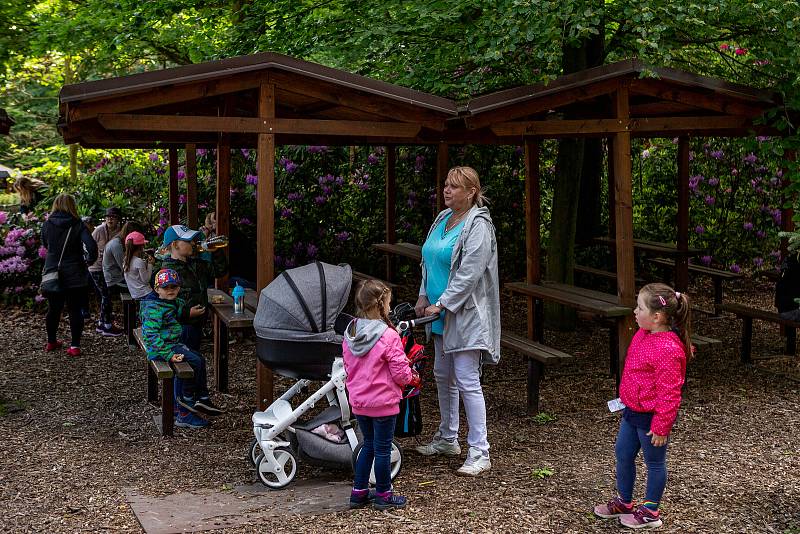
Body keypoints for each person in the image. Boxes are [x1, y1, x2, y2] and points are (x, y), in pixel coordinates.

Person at [414, 166, 500, 477]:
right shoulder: (442, 219)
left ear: (472, 192)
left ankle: (480, 450)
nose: (447, 191)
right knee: (442, 375)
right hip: (437, 314)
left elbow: (469, 274)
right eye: (446, 185)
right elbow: (428, 261)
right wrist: (424, 296)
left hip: (464, 314)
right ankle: (448, 438)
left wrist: (442, 303)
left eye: (454, 187)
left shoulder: (478, 226)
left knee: (466, 379)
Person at [593, 283, 692, 530]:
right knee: (623, 454)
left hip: (651, 419)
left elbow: (670, 394)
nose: (635, 312)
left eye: (639, 308)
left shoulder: (668, 349)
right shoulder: (643, 334)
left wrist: (661, 426)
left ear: (656, 317)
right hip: (632, 412)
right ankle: (625, 502)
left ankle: (650, 511)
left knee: (654, 462)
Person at [342, 279, 418, 511]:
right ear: (381, 304)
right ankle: (384, 493)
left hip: (359, 400)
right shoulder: (388, 335)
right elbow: (400, 371)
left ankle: (359, 491)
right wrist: (411, 376)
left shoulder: (351, 331)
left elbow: (347, 364)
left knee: (369, 445)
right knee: (383, 449)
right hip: (383, 401)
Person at [140, 268, 224, 429]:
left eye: (174, 287)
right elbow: (150, 336)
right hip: (161, 349)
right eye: (166, 288)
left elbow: (177, 314)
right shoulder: (154, 308)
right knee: (192, 363)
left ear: (179, 287)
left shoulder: (170, 302)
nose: (170, 291)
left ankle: (200, 398)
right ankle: (185, 406)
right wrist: (169, 355)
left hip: (170, 344)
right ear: (157, 289)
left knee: (198, 358)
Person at [41, 193, 98, 356]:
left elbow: (45, 244)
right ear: (72, 206)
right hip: (75, 273)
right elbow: (92, 247)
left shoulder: (47, 224)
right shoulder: (78, 225)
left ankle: (51, 341)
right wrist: (89, 261)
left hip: (53, 272)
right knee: (75, 309)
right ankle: (74, 346)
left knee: (53, 309)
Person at [155, 224, 228, 351]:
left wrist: (216, 251)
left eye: (193, 240)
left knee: (193, 361)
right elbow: (163, 305)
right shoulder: (167, 272)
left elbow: (220, 271)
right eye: (188, 241)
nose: (193, 243)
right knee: (186, 363)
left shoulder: (195, 264)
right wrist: (186, 313)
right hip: (181, 329)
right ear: (175, 245)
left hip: (196, 325)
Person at [89, 207, 123, 336]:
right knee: (106, 295)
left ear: (118, 219)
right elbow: (88, 245)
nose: (110, 219)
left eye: (113, 217)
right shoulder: (99, 230)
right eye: (108, 216)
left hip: (109, 268)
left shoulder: (119, 231)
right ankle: (107, 325)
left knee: (107, 295)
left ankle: (101, 323)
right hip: (96, 267)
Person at [123, 231, 155, 300]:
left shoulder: (126, 260)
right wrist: (150, 264)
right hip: (146, 294)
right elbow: (146, 280)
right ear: (140, 247)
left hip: (135, 294)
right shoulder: (138, 261)